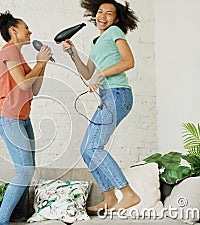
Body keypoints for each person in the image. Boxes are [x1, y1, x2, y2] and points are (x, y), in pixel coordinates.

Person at [61, 0, 140, 213]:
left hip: (118, 94)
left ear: (116, 19)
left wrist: (100, 74)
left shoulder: (115, 32)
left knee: (94, 147)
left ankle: (128, 193)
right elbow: (87, 73)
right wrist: (73, 53)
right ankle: (109, 197)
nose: (102, 15)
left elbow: (128, 61)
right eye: (99, 12)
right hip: (107, 96)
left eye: (109, 13)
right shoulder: (96, 42)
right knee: (86, 150)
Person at [0, 11, 53, 225]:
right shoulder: (9, 51)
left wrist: (42, 64)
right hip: (9, 118)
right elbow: (24, 83)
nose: (30, 31)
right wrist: (39, 62)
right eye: (25, 27)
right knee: (25, 171)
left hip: (23, 118)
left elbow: (34, 88)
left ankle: (18, 216)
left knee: (28, 170)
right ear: (13, 30)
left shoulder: (19, 56)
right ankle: (1, 222)